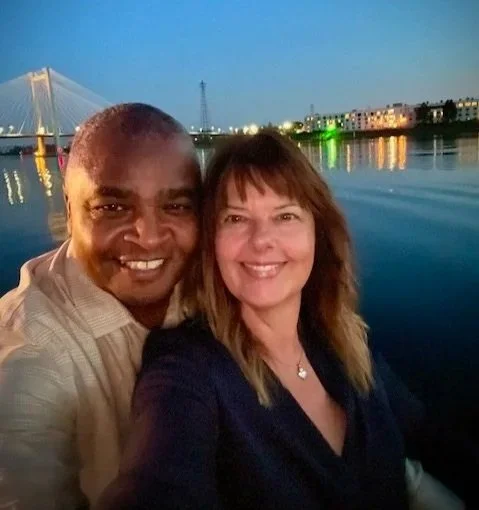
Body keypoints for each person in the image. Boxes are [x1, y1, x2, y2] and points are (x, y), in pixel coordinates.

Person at [98, 131, 467, 509]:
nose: (262, 240)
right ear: (212, 242)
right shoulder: (187, 367)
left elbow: (424, 434)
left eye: (285, 216)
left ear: (318, 234)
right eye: (236, 218)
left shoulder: (345, 340)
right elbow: (158, 480)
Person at [0, 103, 201, 509]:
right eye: (112, 207)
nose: (149, 237)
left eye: (176, 206)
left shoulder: (220, 279)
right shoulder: (31, 344)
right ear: (69, 210)